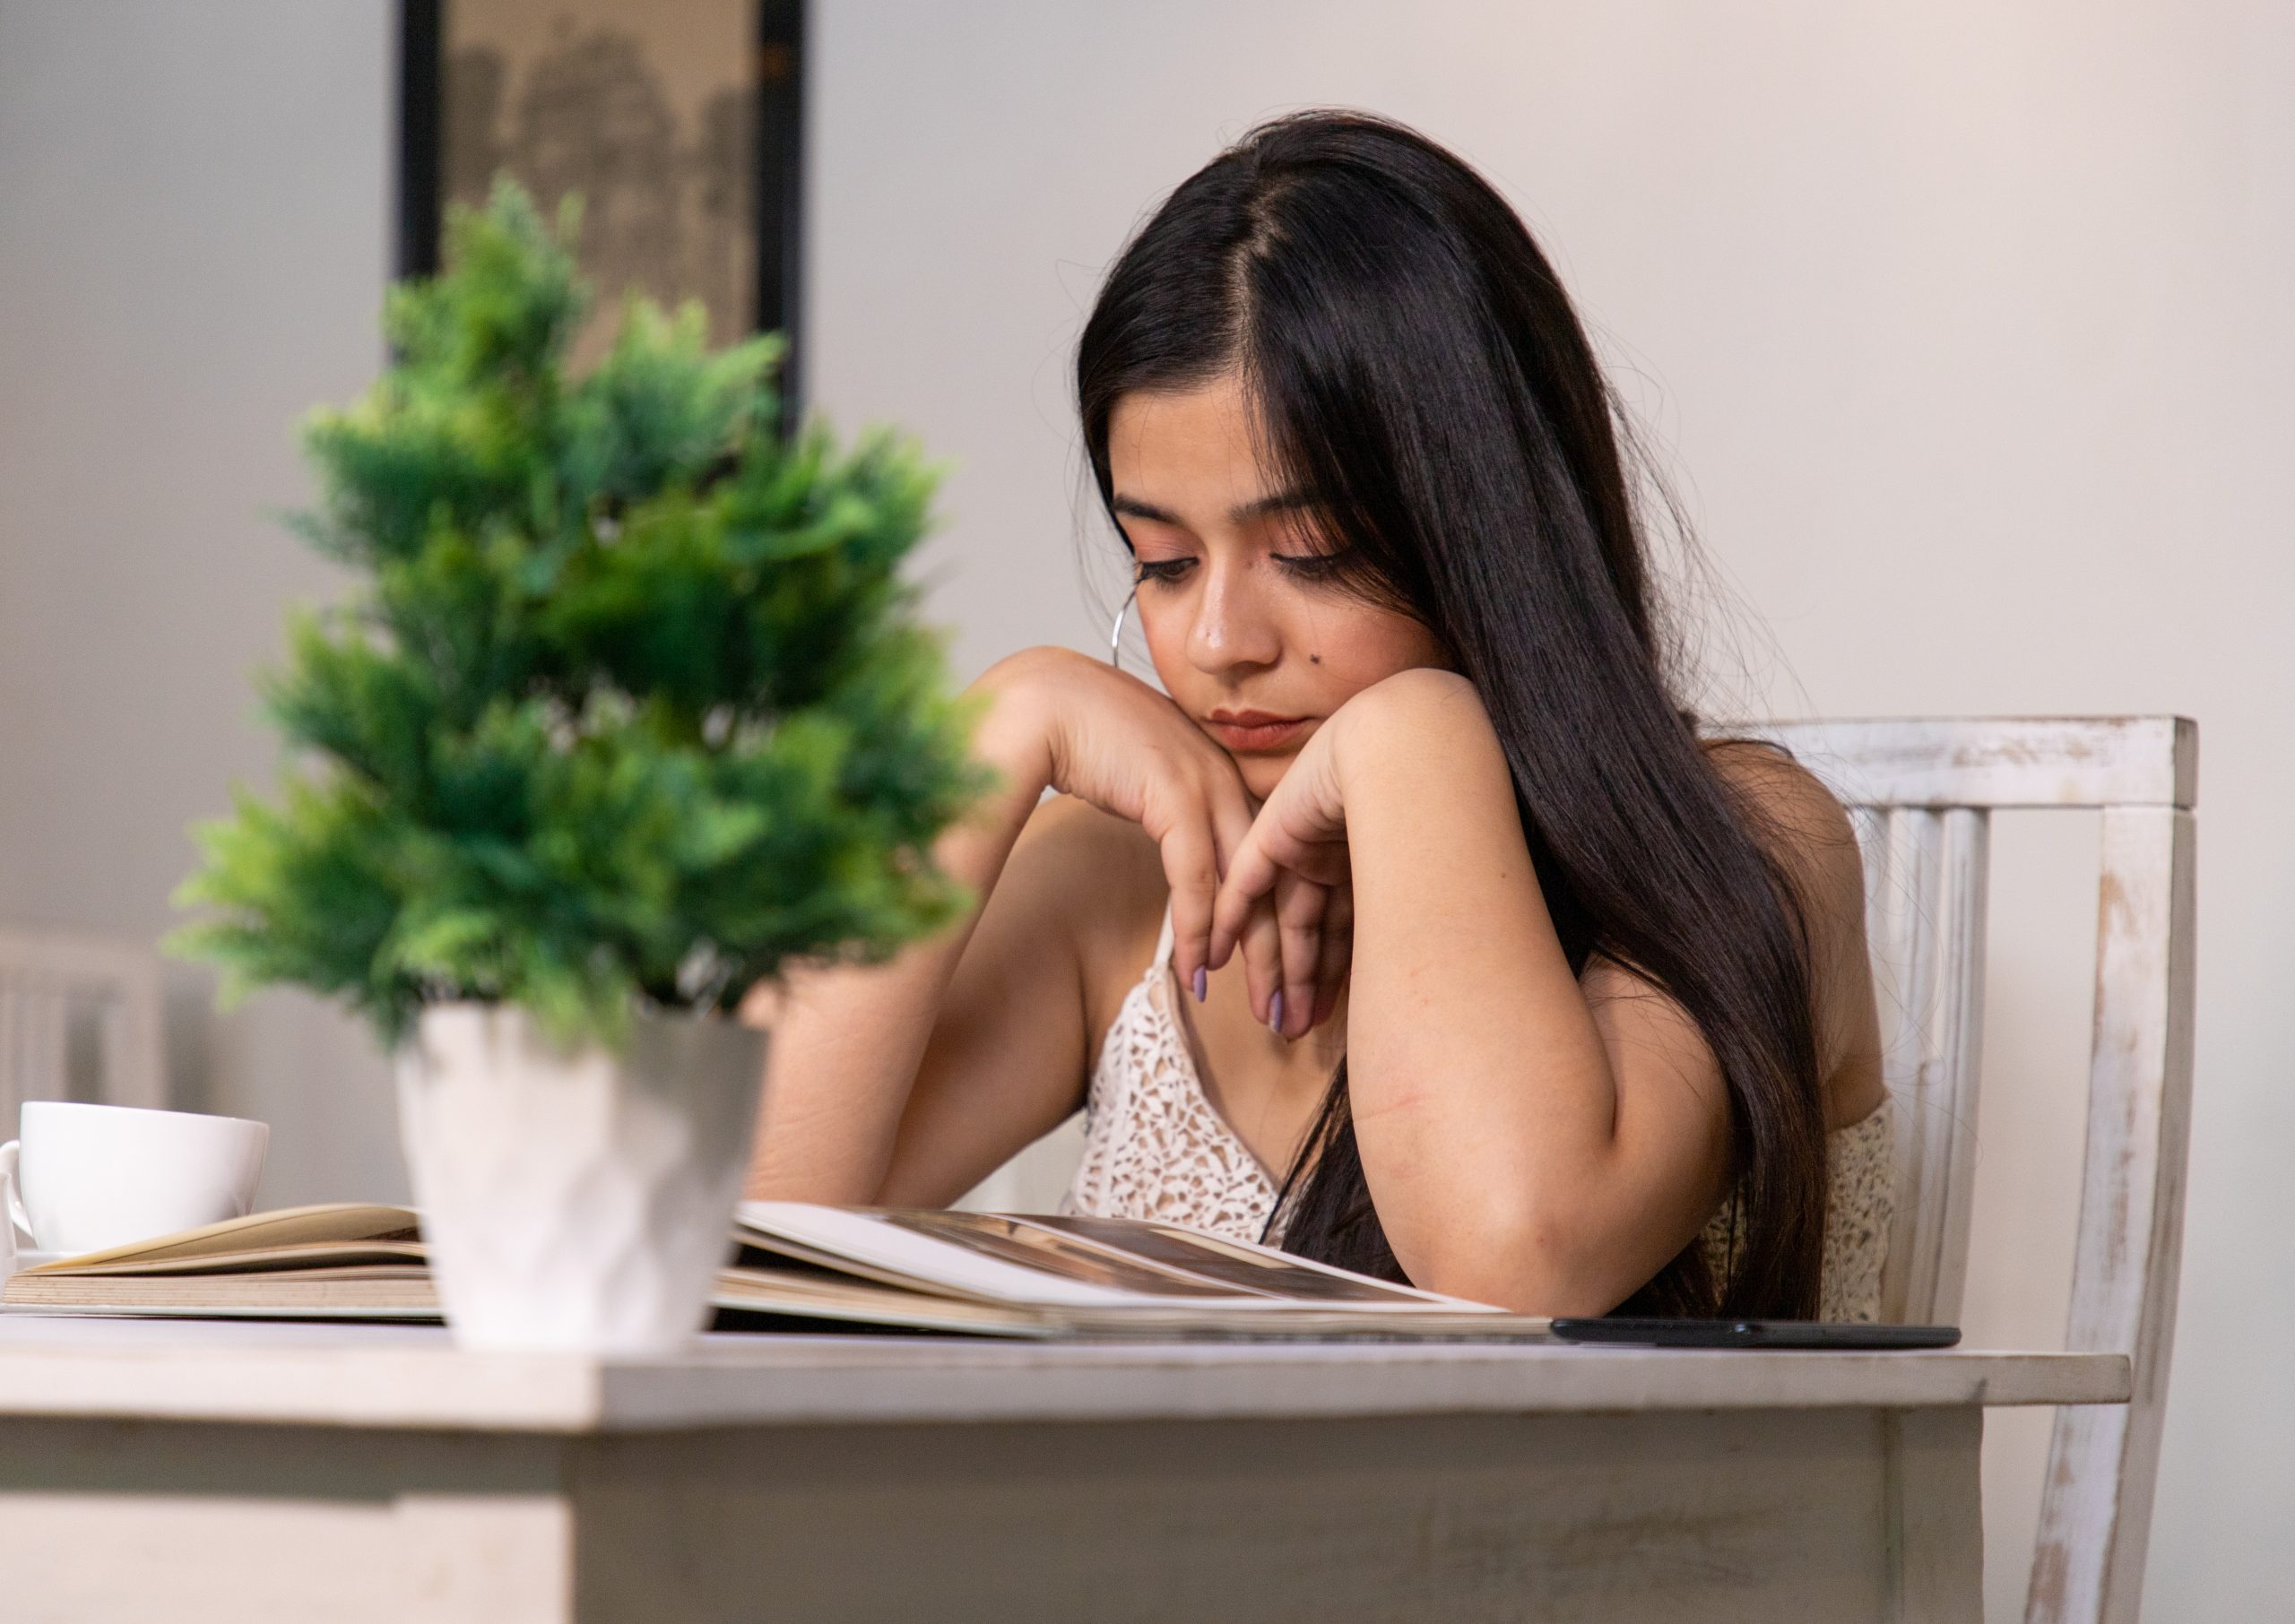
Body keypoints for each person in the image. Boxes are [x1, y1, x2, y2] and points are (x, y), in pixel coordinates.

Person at [745, 110, 1892, 1320]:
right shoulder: (1129, 884)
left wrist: (1410, 735)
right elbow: (736, 1226)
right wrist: (995, 729)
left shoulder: (1750, 842)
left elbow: (1516, 1256)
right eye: (1166, 563)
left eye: (1314, 552)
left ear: (1491, 541)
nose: (1222, 644)